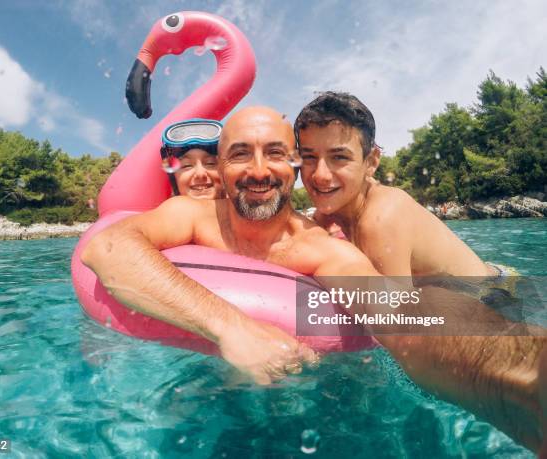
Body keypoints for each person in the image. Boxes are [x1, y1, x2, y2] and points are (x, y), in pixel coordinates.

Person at [81, 106, 545, 454]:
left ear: (295, 169)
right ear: (221, 170)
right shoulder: (191, 216)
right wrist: (233, 328)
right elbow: (107, 249)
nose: (260, 170)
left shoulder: (321, 250)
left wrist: (523, 375)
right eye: (241, 154)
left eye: (276, 154)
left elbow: (401, 317)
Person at [295, 92, 499, 277]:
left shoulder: (380, 219)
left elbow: (396, 315)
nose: (320, 175)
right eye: (309, 157)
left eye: (339, 157)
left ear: (372, 161)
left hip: (494, 291)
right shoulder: (332, 207)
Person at [160, 118, 225, 200]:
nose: (200, 173)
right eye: (187, 165)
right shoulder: (163, 212)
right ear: (174, 178)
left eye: (210, 163)